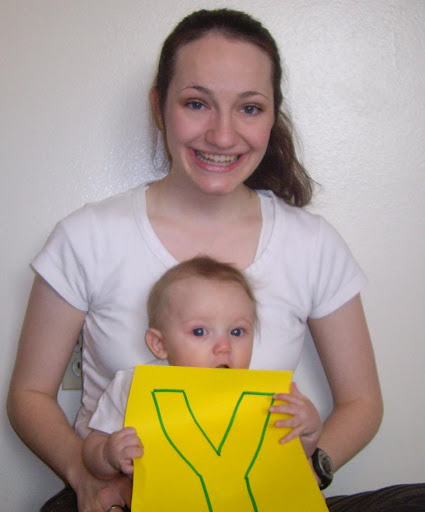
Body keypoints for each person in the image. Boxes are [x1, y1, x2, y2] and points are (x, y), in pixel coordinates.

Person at [7, 7, 424, 512]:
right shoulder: (86, 237)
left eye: (249, 108)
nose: (223, 136)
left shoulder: (312, 243)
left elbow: (362, 403)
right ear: (159, 107)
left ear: (272, 116)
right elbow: (29, 395)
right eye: (196, 103)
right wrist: (84, 475)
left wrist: (306, 471)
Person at [82, 256, 321, 482]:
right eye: (200, 332)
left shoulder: (267, 398)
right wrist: (108, 454)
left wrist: (309, 431)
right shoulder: (134, 387)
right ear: (160, 344)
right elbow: (92, 451)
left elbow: (290, 456)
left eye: (237, 332)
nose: (224, 346)